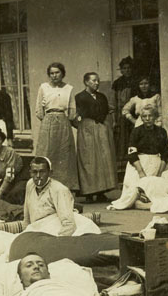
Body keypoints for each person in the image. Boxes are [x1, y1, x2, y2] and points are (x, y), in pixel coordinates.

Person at [33, 62, 79, 192]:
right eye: (51, 73)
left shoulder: (69, 88)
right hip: (48, 121)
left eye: (57, 72)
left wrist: (63, 119)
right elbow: (38, 110)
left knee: (64, 154)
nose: (54, 75)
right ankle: (44, 185)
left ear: (62, 73)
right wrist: (49, 119)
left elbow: (72, 110)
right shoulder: (43, 87)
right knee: (47, 152)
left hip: (63, 123)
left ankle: (65, 187)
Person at [74, 72, 117, 202]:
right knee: (89, 160)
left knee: (103, 159)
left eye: (98, 80)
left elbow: (107, 109)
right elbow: (74, 114)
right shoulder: (79, 97)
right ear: (86, 82)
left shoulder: (102, 97)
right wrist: (81, 126)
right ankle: (88, 193)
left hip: (101, 128)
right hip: (87, 129)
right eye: (93, 80)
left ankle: (101, 192)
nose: (97, 83)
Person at [20, 156, 77, 236]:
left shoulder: (59, 190)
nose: (38, 176)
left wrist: (56, 242)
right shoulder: (30, 184)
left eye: (42, 172)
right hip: (35, 231)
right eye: (34, 172)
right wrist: (24, 235)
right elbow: (27, 219)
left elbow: (69, 225)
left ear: (50, 173)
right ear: (30, 173)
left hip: (53, 232)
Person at [111, 57, 136, 168]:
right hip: (122, 115)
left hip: (134, 114)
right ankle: (122, 166)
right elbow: (114, 101)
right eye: (124, 68)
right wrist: (115, 118)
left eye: (129, 68)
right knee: (122, 139)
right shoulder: (117, 83)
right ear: (121, 70)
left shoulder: (137, 81)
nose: (127, 70)